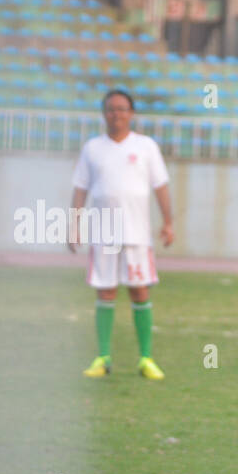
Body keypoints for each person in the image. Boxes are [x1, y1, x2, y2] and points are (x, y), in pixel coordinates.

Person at [69, 89, 173, 379]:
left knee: (140, 291)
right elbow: (81, 188)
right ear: (104, 113)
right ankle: (102, 357)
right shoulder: (92, 148)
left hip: (137, 234)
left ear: (131, 113)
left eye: (122, 109)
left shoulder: (146, 146)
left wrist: (168, 221)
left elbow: (160, 186)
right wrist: (74, 223)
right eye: (112, 109)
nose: (117, 114)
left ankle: (146, 359)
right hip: (103, 234)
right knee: (106, 291)